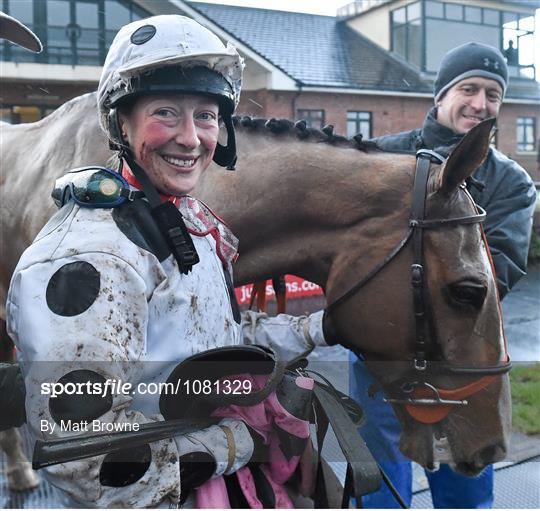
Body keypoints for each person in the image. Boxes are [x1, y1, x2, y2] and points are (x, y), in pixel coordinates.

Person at [6, 15, 330, 507]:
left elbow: (215, 341)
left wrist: (322, 329)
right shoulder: (86, 256)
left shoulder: (191, 225)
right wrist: (242, 440)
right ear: (120, 123)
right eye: (165, 113)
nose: (191, 137)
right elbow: (81, 457)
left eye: (205, 115)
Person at [350, 42, 537, 508]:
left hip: (466, 359)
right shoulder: (381, 158)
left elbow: (500, 268)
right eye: (469, 88)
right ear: (441, 95)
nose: (481, 104)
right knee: (380, 492)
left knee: (466, 492)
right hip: (380, 353)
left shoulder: (510, 182)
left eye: (493, 95)